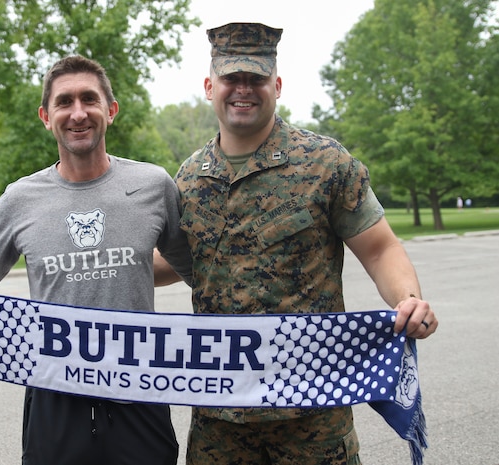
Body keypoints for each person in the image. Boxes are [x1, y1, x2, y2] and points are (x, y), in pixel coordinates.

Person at [0, 55, 191, 465]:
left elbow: (195, 267)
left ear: (111, 110)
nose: (78, 113)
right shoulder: (20, 199)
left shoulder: (154, 186)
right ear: (45, 117)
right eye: (64, 102)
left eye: (90, 99)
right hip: (54, 392)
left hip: (138, 390)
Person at [171, 22, 439, 465]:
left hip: (312, 412)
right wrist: (105, 265)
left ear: (276, 86)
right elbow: (180, 258)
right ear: (208, 86)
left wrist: (408, 301)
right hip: (220, 418)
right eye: (231, 79)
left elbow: (379, 248)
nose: (243, 89)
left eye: (255, 79)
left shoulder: (325, 163)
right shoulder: (189, 175)